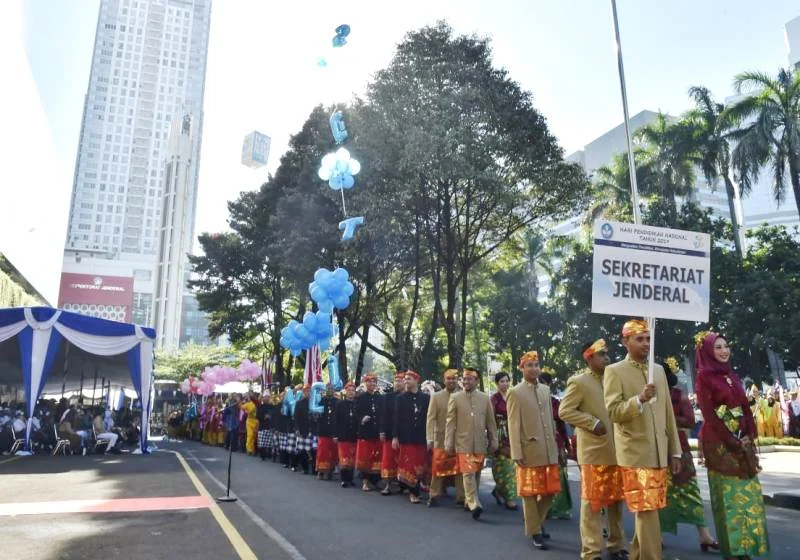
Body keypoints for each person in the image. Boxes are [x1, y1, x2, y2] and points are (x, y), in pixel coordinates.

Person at [603, 319, 681, 560]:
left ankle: (637, 554)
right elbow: (613, 411)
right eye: (639, 339)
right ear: (625, 342)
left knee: (651, 507)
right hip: (635, 452)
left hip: (659, 452)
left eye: (648, 338)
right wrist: (639, 399)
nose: (646, 343)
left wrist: (675, 451)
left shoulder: (657, 370)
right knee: (646, 509)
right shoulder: (614, 371)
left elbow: (668, 412)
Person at [695, 332, 769, 559]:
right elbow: (710, 415)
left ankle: (749, 546)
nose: (724, 351)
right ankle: (735, 551)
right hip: (721, 445)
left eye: (726, 346)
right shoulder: (703, 377)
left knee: (749, 496)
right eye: (718, 347)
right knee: (729, 499)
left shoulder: (732, 375)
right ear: (708, 351)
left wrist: (749, 433)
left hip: (742, 442)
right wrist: (732, 441)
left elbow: (745, 407)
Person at [559, 339, 627, 560]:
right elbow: (565, 411)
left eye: (608, 354)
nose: (607, 358)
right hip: (594, 452)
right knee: (593, 503)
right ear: (589, 358)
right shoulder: (578, 382)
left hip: (618, 450)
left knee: (617, 501)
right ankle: (591, 550)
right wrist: (591, 422)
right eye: (602, 354)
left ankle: (617, 545)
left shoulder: (614, 378)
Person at [658, 359, 719, 551]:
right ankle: (656, 536)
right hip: (655, 451)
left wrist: (666, 418)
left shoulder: (678, 395)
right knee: (658, 494)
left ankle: (705, 536)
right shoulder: (646, 396)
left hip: (679, 450)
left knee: (691, 491)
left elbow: (690, 421)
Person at [508, 351, 561, 549]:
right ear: (521, 368)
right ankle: (536, 531)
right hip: (528, 448)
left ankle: (534, 523)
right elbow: (513, 424)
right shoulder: (515, 392)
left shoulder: (545, 390)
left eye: (536, 364)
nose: (534, 368)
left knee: (551, 490)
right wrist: (516, 452)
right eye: (529, 365)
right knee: (530, 493)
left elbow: (551, 421)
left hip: (548, 448)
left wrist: (557, 447)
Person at [445, 368, 498, 520]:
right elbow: (450, 423)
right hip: (463, 442)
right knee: (468, 473)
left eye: (469, 379)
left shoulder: (484, 398)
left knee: (476, 472)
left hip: (480, 443)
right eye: (464, 379)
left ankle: (469, 501)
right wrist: (448, 442)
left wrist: (494, 440)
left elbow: (491, 422)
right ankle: (475, 504)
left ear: (477, 381)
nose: (466, 382)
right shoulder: (455, 398)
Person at [426, 369, 465, 507]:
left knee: (460, 468)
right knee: (437, 467)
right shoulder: (436, 397)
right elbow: (430, 419)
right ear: (444, 381)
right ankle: (434, 495)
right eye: (448, 379)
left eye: (454, 378)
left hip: (458, 439)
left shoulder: (462, 396)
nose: (451, 381)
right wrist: (429, 438)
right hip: (440, 438)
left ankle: (461, 497)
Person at [539, 370, 573, 521]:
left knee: (558, 475)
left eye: (544, 384)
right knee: (541, 476)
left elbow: (562, 425)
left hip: (556, 441)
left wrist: (566, 445)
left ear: (549, 385)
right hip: (539, 443)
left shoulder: (555, 402)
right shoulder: (532, 402)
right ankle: (541, 510)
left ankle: (559, 508)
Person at [392, 370, 430, 504]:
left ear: (416, 381)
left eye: (409, 379)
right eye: (405, 379)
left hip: (421, 437)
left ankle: (413, 487)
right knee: (409, 464)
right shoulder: (400, 398)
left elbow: (429, 419)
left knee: (420, 464)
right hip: (406, 438)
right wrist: (395, 437)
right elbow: (396, 419)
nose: (406, 381)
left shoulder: (425, 398)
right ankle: (413, 493)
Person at [490, 371, 518, 510]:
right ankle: (509, 498)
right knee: (503, 468)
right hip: (500, 435)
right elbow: (490, 419)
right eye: (502, 381)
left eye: (507, 381)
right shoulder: (494, 399)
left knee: (514, 468)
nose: (505, 384)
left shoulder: (513, 396)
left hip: (514, 434)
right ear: (496, 383)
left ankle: (502, 492)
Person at [355, 372, 383, 491]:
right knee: (366, 458)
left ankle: (375, 481)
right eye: (370, 381)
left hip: (376, 432)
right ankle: (365, 482)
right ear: (366, 383)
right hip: (365, 432)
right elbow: (355, 413)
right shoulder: (360, 397)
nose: (372, 383)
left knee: (376, 458)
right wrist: (361, 419)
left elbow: (382, 415)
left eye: (374, 382)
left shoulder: (380, 398)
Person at [380, 372, 406, 495]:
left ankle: (403, 485)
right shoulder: (387, 397)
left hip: (405, 435)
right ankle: (388, 485)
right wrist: (382, 431)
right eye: (396, 381)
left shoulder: (408, 397)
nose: (397, 383)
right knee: (388, 460)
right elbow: (383, 416)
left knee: (403, 460)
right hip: (389, 434)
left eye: (400, 381)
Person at [335, 381, 359, 488]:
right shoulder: (340, 404)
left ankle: (351, 479)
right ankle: (344, 479)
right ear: (346, 392)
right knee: (344, 458)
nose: (351, 393)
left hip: (354, 435)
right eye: (349, 391)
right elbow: (335, 420)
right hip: (342, 435)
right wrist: (335, 435)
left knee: (352, 458)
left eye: (353, 391)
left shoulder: (357, 404)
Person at [316, 384, 339, 480]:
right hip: (323, 430)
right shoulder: (321, 400)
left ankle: (330, 470)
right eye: (328, 389)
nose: (330, 390)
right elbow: (316, 413)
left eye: (331, 389)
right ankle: (320, 471)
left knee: (332, 452)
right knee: (322, 452)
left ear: (334, 390)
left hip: (333, 431)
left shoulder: (337, 401)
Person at [294, 385, 314, 474]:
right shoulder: (299, 403)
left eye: (310, 391)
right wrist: (297, 429)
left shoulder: (315, 402)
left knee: (313, 450)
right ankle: (305, 468)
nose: (308, 393)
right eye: (306, 391)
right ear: (303, 392)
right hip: (302, 429)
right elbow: (296, 417)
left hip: (313, 430)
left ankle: (314, 469)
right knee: (302, 450)